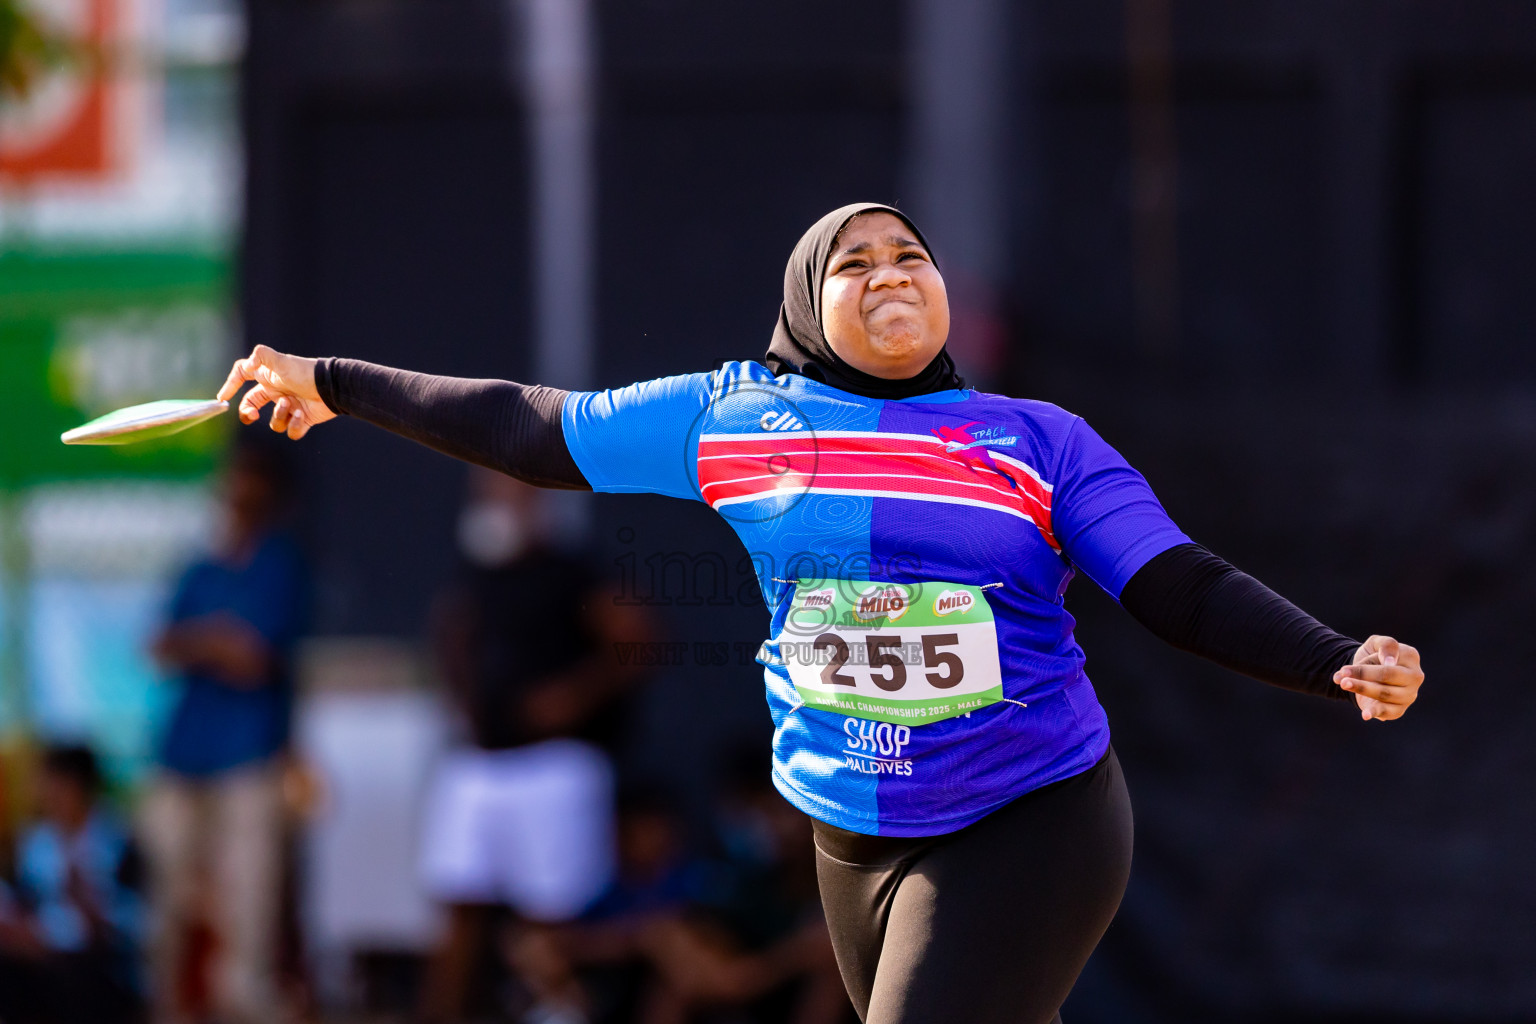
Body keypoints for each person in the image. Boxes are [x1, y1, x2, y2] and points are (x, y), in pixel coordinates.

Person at [214, 203, 1426, 1024]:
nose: (892, 274)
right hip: (849, 829)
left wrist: (1328, 658)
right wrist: (337, 384)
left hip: (1029, 814)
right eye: (857, 264)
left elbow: (1177, 583)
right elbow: (532, 428)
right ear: (807, 301)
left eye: (911, 256)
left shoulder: (1038, 440)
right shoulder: (735, 416)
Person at [417, 468, 653, 1023]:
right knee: (458, 902)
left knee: (551, 911)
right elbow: (450, 630)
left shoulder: (573, 572)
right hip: (479, 763)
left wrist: (573, 695)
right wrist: (462, 699)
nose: (498, 502)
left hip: (556, 765)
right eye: (488, 492)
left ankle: (557, 1008)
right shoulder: (475, 574)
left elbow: (638, 639)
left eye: (511, 491)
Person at [142, 444, 309, 1024]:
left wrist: (201, 641)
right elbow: (159, 646)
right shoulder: (199, 566)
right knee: (171, 892)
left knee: (248, 900)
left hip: (250, 754)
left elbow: (253, 658)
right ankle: (171, 1005)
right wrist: (214, 639)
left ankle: (243, 1003)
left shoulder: (279, 565)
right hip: (182, 753)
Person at [0, 744, 145, 1024]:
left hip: (97, 967)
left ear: (81, 788)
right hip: (40, 952)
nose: (48, 798)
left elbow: (133, 926)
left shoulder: (117, 842)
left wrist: (89, 907)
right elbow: (24, 901)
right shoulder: (38, 842)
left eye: (57, 788)